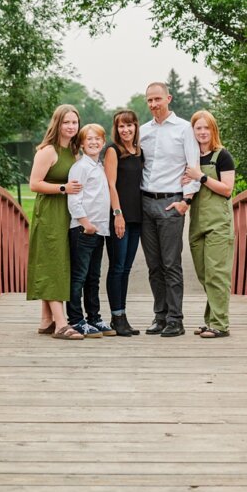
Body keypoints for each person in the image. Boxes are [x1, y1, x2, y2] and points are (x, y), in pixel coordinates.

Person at [139, 82, 200, 338]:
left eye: (158, 99)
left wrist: (186, 201)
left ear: (168, 98)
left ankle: (176, 319)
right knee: (153, 265)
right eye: (149, 100)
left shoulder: (184, 129)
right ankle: (160, 316)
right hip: (145, 202)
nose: (154, 104)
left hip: (171, 202)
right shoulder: (143, 131)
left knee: (171, 264)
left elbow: (193, 166)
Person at [26, 104, 84, 341]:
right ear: (57, 124)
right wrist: (63, 188)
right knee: (53, 263)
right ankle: (61, 324)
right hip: (50, 213)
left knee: (61, 262)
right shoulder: (48, 151)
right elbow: (34, 184)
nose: (71, 127)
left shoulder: (74, 150)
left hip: (67, 213)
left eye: (74, 122)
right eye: (66, 122)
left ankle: (46, 320)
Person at [182, 110, 236, 339]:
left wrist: (200, 177)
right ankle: (211, 320)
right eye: (198, 128)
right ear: (192, 131)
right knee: (205, 275)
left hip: (218, 223)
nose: (202, 132)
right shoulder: (192, 159)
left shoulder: (223, 156)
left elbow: (227, 189)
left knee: (217, 274)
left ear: (213, 129)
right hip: (197, 223)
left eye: (206, 128)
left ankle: (220, 324)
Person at [66, 123, 115, 338]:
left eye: (98, 139)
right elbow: (74, 199)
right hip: (83, 230)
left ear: (103, 143)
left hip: (99, 230)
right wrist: (86, 223)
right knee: (79, 276)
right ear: (82, 144)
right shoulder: (81, 167)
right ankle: (76, 320)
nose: (94, 142)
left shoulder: (99, 166)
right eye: (89, 139)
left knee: (93, 276)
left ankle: (94, 317)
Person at [103, 109, 144, 337]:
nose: (126, 130)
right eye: (121, 126)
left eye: (129, 125)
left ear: (136, 127)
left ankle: (122, 317)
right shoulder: (112, 151)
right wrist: (117, 214)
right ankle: (117, 317)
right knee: (117, 267)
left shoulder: (139, 152)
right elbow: (111, 185)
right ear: (116, 129)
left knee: (126, 269)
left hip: (137, 217)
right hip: (119, 217)